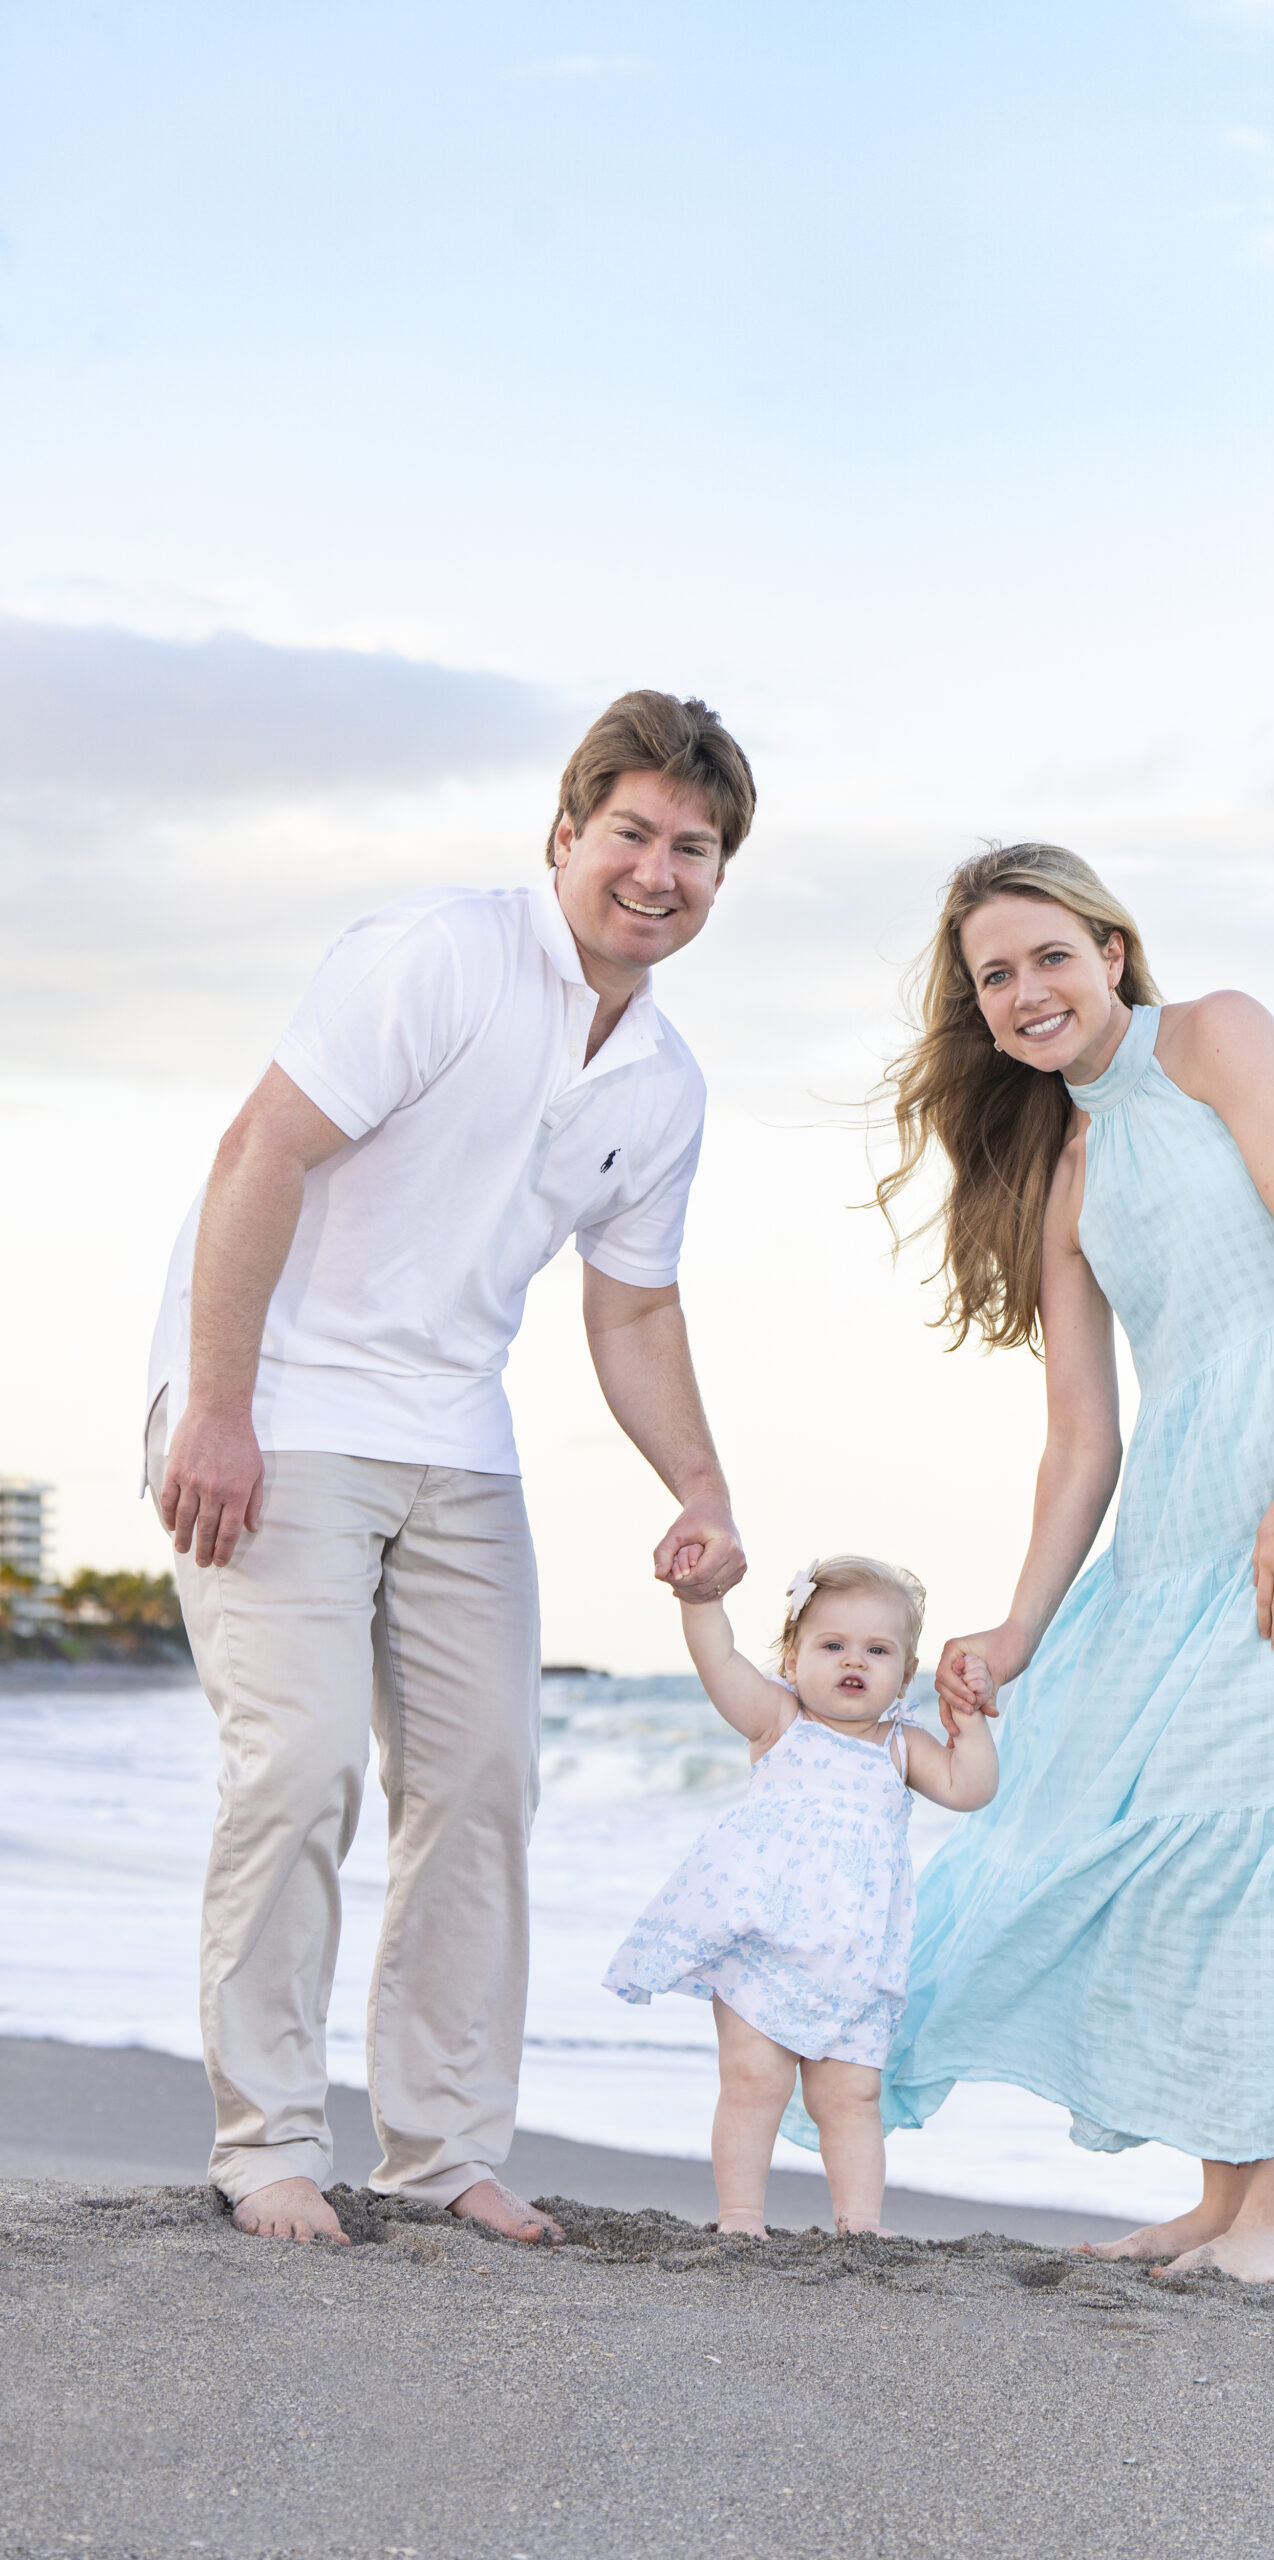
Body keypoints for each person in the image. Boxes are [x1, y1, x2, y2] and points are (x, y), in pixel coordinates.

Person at [145, 689, 755, 2247]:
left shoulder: (664, 1084)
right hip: (278, 1403)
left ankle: (439, 2149)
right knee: (297, 1768)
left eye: (693, 848)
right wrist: (217, 1405)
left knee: (482, 1782)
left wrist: (700, 1485)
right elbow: (257, 1153)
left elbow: (632, 1308)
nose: (657, 871)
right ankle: (267, 2141)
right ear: (565, 835)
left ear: (717, 877)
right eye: (631, 832)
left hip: (455, 1438)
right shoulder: (438, 954)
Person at [876, 842, 1274, 2282]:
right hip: (1187, 1529)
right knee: (1191, 1830)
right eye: (993, 978)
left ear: (1112, 952)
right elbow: (1082, 1438)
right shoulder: (1064, 1175)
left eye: (1048, 956)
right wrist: (1016, 1627)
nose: (1026, 992)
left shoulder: (1217, 1037)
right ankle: (1222, 2198)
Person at [605, 1556, 998, 2235]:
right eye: (832, 1645)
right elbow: (719, 1662)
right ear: (792, 1658)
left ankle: (860, 2226)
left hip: (856, 1957)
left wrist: (972, 1723)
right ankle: (740, 2217)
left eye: (878, 1650)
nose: (855, 1661)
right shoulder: (780, 1720)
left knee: (853, 2094)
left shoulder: (902, 1747)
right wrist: (700, 1602)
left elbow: (971, 1789)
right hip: (765, 1942)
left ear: (904, 1676)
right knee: (754, 2081)